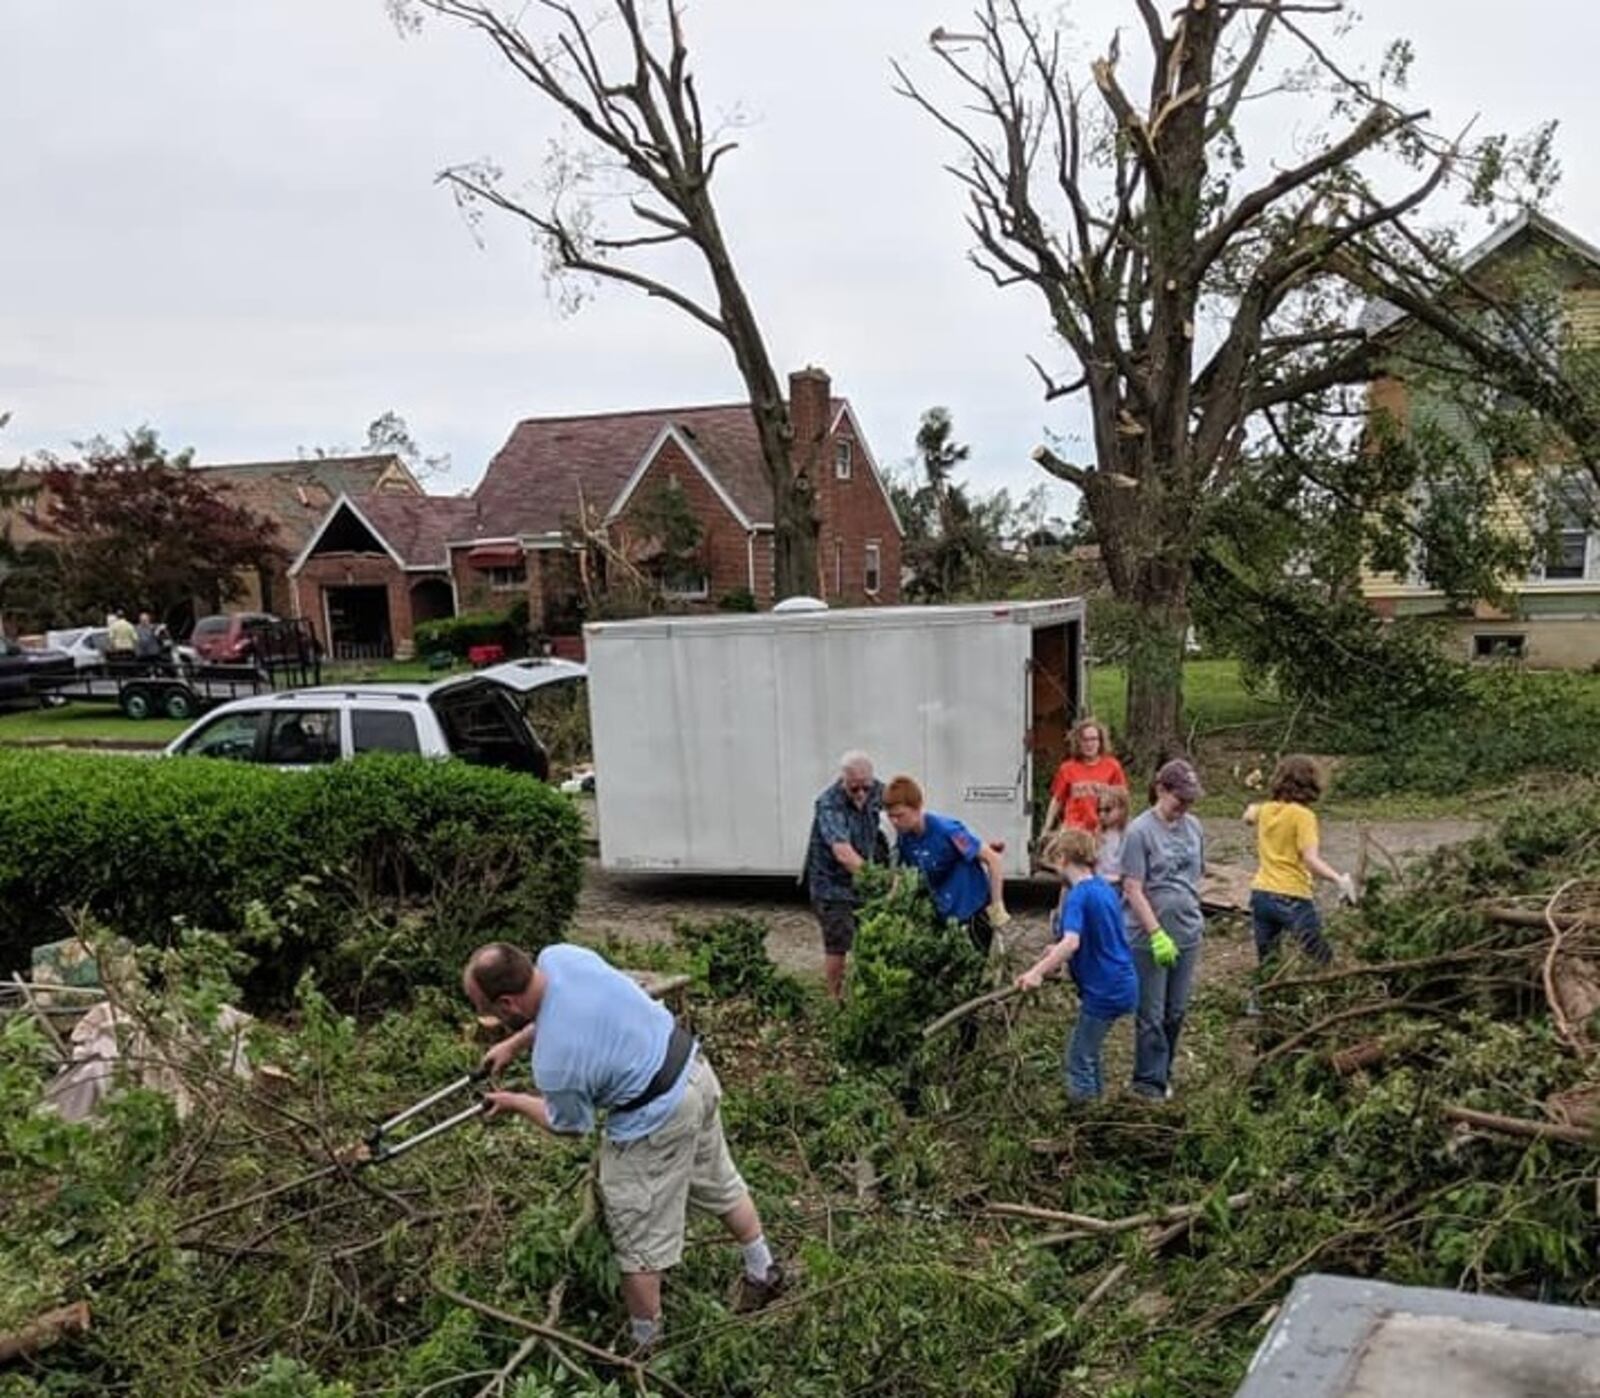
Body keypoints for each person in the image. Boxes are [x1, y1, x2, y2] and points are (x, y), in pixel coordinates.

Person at [466, 942, 784, 1353]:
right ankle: (764, 1270)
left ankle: (645, 1350)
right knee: (718, 1179)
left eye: (487, 1010)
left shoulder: (556, 1063)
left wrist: (513, 1102)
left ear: (507, 1003)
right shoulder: (562, 958)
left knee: (635, 1239)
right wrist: (513, 1045)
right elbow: (579, 1008)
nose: (489, 1019)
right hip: (693, 1070)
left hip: (656, 1119)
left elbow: (570, 1126)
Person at [1014, 828, 1139, 1101]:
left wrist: (1035, 972)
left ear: (1061, 858)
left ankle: (1084, 1125)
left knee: (1077, 1059)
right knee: (1089, 1053)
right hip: (1123, 981)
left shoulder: (1077, 896)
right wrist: (1054, 954)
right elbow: (1095, 936)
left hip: (1104, 989)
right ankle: (1098, 1114)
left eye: (1052, 865)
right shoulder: (1104, 889)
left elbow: (1072, 942)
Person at [1244, 755, 1359, 1007]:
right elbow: (1310, 859)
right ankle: (1334, 1000)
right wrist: (1338, 879)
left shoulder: (1266, 810)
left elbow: (1248, 815)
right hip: (1291, 895)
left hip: (1261, 894)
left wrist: (1255, 810)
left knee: (1268, 959)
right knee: (1319, 954)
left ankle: (1260, 1006)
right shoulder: (1303, 816)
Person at [1122, 758, 1207, 1100]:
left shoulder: (1194, 827)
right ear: (1161, 790)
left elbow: (1195, 874)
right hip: (1148, 938)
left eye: (1190, 801)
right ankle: (1147, 1083)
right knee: (1152, 1013)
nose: (1184, 807)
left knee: (1176, 1010)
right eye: (1179, 800)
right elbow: (1132, 887)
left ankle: (1164, 1070)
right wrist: (1156, 932)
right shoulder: (1139, 832)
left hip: (1187, 932)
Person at [883, 775, 1009, 956]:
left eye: (900, 815)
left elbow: (993, 860)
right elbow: (901, 874)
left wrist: (997, 909)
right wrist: (890, 906)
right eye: (890, 816)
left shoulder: (948, 831)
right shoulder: (905, 837)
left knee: (972, 971)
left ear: (918, 807)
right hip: (944, 914)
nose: (894, 822)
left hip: (972, 911)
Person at [803, 751, 887, 1000]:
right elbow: (843, 852)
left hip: (862, 882)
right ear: (844, 781)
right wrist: (879, 879)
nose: (861, 794)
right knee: (838, 943)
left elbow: (903, 805)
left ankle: (867, 994)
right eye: (854, 789)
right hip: (832, 885)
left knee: (871, 938)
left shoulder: (878, 790)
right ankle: (834, 1000)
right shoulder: (829, 804)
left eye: (865, 787)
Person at [1040, 718, 1128, 840]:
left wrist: (1118, 827)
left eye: (1093, 739)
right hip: (1074, 832)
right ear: (1078, 742)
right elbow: (1057, 800)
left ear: (1100, 741)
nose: (1089, 744)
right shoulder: (1067, 768)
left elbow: (1122, 801)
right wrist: (1046, 827)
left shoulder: (1113, 766)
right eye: (1085, 740)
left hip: (1103, 831)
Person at [1095, 786, 1131, 888]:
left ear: (1122, 809)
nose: (1102, 814)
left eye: (1107, 810)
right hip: (1100, 878)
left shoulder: (1128, 832)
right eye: (1099, 810)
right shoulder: (1100, 832)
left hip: (1119, 881)